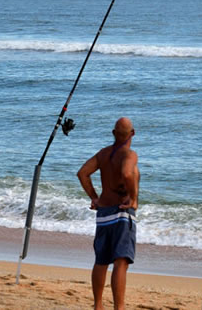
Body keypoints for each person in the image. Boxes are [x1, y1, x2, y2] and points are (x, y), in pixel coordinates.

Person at [77, 117, 140, 310]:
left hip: (104, 212)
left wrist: (95, 197)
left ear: (114, 133)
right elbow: (127, 173)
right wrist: (133, 197)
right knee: (121, 262)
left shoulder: (103, 154)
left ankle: (98, 305)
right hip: (121, 213)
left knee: (101, 260)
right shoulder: (130, 155)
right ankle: (118, 307)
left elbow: (82, 173)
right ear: (133, 133)